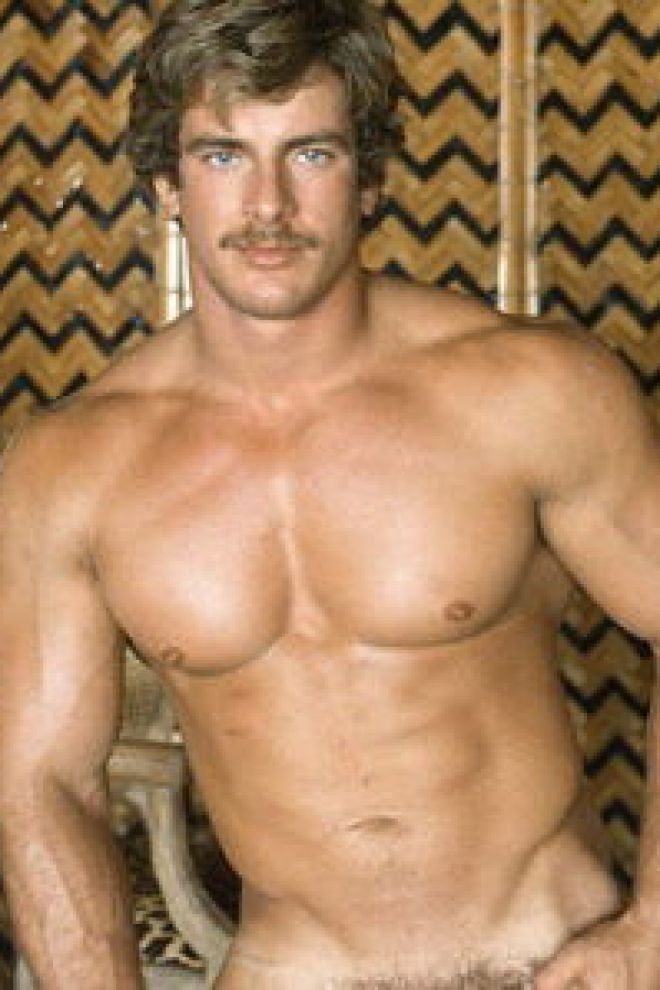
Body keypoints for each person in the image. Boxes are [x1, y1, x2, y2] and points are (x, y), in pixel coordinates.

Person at [0, 0, 659, 986]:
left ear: (371, 178)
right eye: (223, 155)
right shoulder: (70, 466)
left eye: (310, 154)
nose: (267, 206)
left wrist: (654, 927)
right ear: (168, 183)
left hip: (546, 957)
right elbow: (40, 784)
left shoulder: (533, 391)